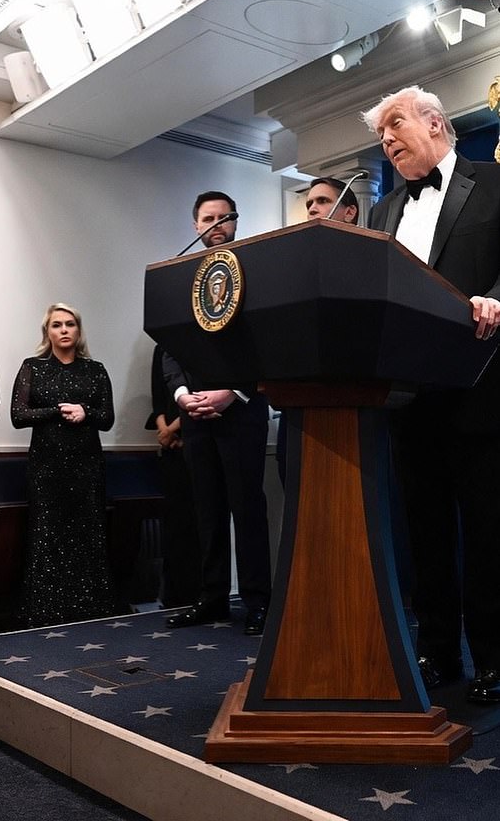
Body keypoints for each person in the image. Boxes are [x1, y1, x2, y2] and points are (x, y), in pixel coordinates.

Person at [361, 85, 500, 704]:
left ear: (436, 123)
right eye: (380, 135)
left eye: (394, 126)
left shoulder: (493, 183)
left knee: (489, 532)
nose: (386, 140)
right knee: (426, 534)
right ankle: (439, 650)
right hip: (409, 399)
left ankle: (494, 658)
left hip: (482, 391)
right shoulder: (383, 211)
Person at [164, 191, 272, 635]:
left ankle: (258, 602)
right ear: (195, 226)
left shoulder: (256, 273)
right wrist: (182, 395)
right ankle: (211, 599)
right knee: (206, 511)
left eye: (224, 218)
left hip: (241, 411)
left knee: (247, 510)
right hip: (195, 414)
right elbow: (170, 346)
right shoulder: (182, 276)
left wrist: (234, 392)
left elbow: (266, 343)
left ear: (235, 222)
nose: (216, 225)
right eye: (208, 219)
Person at [10, 303, 117, 627]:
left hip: (86, 466)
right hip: (46, 467)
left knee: (89, 534)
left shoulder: (95, 369)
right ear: (48, 332)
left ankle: (92, 611)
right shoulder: (33, 367)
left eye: (70, 324)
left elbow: (107, 418)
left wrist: (85, 411)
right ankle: (44, 612)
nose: (64, 330)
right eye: (57, 325)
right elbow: (18, 415)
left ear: (79, 330)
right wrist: (57, 411)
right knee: (46, 535)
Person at [276, 177, 359, 484]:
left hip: (351, 396)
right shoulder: (294, 266)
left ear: (349, 212)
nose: (312, 208)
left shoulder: (368, 260)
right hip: (298, 395)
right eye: (309, 203)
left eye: (322, 201)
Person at [145, 344, 201, 608]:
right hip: (170, 447)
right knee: (174, 522)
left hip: (197, 435)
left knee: (198, 521)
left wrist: (176, 429)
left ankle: (198, 593)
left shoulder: (201, 344)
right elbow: (158, 399)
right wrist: (165, 431)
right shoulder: (162, 347)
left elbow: (200, 393)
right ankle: (173, 594)